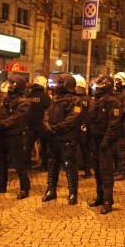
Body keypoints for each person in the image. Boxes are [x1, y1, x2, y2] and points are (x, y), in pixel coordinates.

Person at [42, 73, 82, 204]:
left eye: (59, 83)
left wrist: (55, 128)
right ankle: (51, 190)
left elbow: (72, 120)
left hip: (67, 138)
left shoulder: (76, 101)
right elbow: (46, 113)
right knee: (52, 164)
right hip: (53, 138)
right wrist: (46, 124)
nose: (56, 85)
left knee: (70, 166)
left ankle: (72, 193)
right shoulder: (55, 99)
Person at [88, 74, 122, 214]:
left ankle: (108, 201)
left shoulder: (114, 102)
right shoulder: (95, 100)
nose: (95, 89)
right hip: (95, 140)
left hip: (106, 142)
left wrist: (106, 141)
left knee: (106, 172)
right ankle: (100, 197)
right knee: (97, 171)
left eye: (98, 86)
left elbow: (113, 125)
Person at [0, 74, 31, 199]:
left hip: (15, 136)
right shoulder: (3, 99)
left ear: (17, 86)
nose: (8, 85)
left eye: (11, 83)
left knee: (19, 163)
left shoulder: (24, 102)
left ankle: (25, 188)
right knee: (0, 160)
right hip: (2, 134)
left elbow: (15, 119)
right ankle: (0, 185)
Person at [25, 75, 51, 170]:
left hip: (29, 125)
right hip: (41, 126)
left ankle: (26, 165)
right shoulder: (45, 97)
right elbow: (50, 110)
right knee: (44, 146)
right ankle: (44, 165)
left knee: (28, 146)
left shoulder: (28, 96)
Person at [72, 74, 92, 179]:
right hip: (86, 127)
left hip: (74, 127)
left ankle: (74, 172)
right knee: (86, 150)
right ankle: (87, 171)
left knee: (74, 150)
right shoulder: (89, 99)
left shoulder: (73, 99)